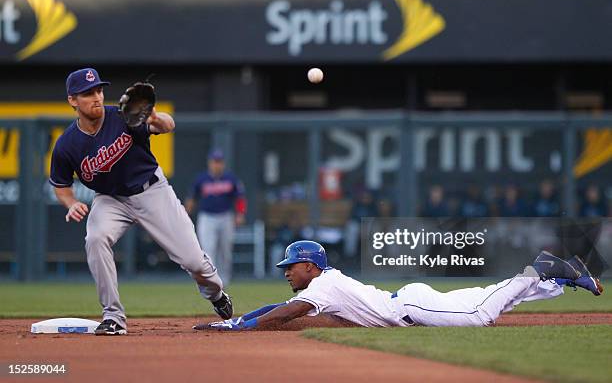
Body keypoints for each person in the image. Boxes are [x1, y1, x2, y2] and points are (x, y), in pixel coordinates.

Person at [50, 68, 233, 335]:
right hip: (111, 199)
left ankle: (216, 294)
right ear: (73, 100)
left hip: (151, 191)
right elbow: (61, 185)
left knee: (195, 262)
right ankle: (113, 316)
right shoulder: (67, 144)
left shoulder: (121, 117)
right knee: (95, 238)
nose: (96, 97)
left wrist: (155, 117)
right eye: (88, 93)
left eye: (99, 90)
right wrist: (70, 203)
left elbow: (168, 126)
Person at [195, 240, 603, 331]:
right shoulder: (322, 285)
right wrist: (241, 319)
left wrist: (241, 328)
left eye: (291, 266)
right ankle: (550, 272)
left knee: (480, 316)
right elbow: (277, 306)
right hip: (411, 301)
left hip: (411, 308)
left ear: (310, 266)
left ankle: (539, 270)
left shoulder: (320, 287)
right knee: (483, 299)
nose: (286, 271)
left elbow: (285, 313)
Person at [184, 149, 246, 284]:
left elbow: (240, 198)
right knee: (208, 249)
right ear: (209, 163)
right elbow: (192, 197)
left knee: (225, 251)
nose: (217, 165)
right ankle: (212, 280)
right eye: (214, 162)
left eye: (219, 162)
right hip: (207, 217)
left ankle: (225, 280)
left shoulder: (230, 178)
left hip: (225, 216)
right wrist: (186, 214)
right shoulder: (201, 178)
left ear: (223, 163)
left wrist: (240, 214)